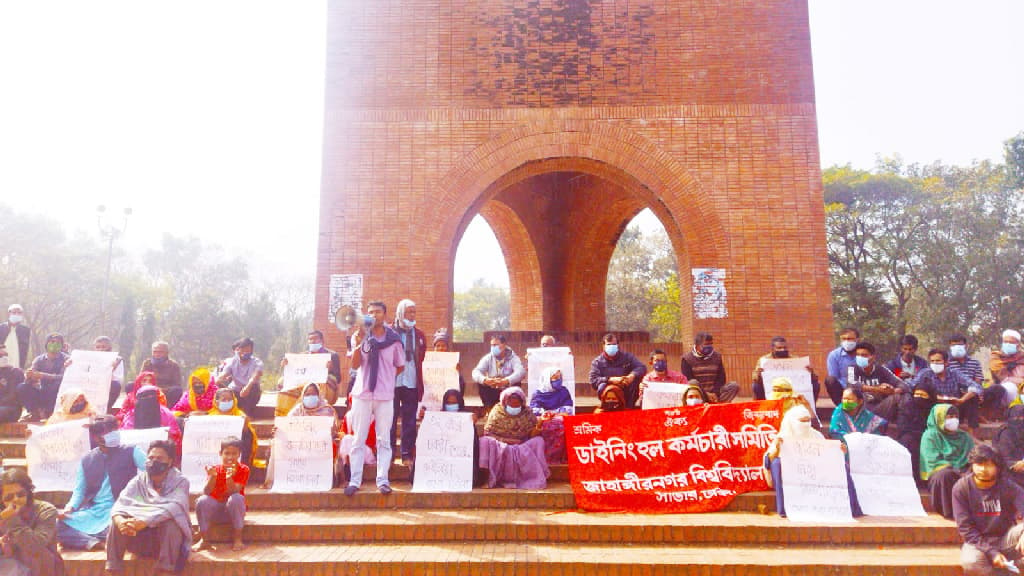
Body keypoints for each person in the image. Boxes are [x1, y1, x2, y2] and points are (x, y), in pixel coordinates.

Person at [57, 416, 145, 551]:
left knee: (124, 525)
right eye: (107, 432)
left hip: (122, 509)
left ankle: (92, 539)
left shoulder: (132, 451)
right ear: (96, 438)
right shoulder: (87, 460)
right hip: (95, 512)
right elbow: (79, 491)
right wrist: (69, 509)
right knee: (59, 525)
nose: (113, 434)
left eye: (114, 430)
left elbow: (152, 472)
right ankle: (93, 542)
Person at [346, 300, 405, 496]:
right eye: (370, 312)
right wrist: (360, 340)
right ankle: (355, 480)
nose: (373, 315)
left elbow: (400, 365)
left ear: (385, 315)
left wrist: (386, 379)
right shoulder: (360, 336)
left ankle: (382, 480)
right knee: (358, 438)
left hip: (385, 395)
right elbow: (354, 365)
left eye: (377, 312)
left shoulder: (395, 339)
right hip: (362, 394)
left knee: (384, 439)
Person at [106, 440, 191, 574]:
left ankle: (165, 570)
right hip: (138, 538)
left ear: (169, 462)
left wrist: (145, 521)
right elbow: (121, 503)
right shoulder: (138, 481)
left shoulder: (181, 482)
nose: (154, 461)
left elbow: (175, 506)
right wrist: (121, 522)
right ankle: (114, 568)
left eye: (159, 458)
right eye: (151, 458)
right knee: (115, 522)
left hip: (165, 544)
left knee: (172, 522)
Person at [953, 444, 1024, 576]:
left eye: (989, 465)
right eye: (979, 464)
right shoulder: (961, 488)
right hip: (977, 543)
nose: (983, 469)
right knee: (971, 563)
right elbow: (966, 529)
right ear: (972, 465)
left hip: (1005, 539)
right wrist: (992, 553)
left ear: (997, 467)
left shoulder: (1007, 486)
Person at [478, 386, 549, 489]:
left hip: (522, 445)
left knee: (539, 441)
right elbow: (488, 433)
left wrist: (539, 423)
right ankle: (487, 478)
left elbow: (531, 435)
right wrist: (506, 440)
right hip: (500, 445)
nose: (514, 408)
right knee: (484, 441)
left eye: (517, 406)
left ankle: (535, 476)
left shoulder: (527, 413)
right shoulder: (497, 412)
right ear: (505, 403)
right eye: (511, 405)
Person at [0, 468, 64, 576]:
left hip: (41, 568)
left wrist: (12, 519)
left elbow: (34, 547)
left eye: (21, 494)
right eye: (9, 497)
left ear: (28, 493)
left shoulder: (46, 510)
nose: (16, 500)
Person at [763, 405, 823, 518]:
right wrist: (777, 449)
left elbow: (827, 456)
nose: (806, 424)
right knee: (777, 463)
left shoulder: (816, 435)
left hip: (812, 473)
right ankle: (785, 508)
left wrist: (839, 451)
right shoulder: (783, 437)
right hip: (791, 473)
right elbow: (768, 461)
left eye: (808, 420)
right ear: (792, 421)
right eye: (802, 421)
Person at [193, 436, 249, 552]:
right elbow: (206, 491)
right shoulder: (215, 470)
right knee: (202, 500)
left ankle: (237, 539)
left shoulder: (244, 469)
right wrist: (213, 477)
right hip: (216, 511)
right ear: (220, 454)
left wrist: (229, 478)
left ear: (239, 455)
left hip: (234, 511)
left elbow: (235, 491)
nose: (230, 457)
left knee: (236, 498)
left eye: (234, 454)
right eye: (227, 453)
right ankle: (204, 540)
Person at [920, 404, 975, 519]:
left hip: (964, 469)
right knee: (945, 476)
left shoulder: (964, 436)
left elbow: (974, 457)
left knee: (976, 474)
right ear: (939, 418)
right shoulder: (930, 435)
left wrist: (968, 469)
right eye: (949, 416)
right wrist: (954, 469)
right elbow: (931, 460)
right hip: (941, 470)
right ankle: (950, 513)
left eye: (956, 416)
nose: (953, 419)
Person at [391, 299, 426, 467]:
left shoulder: (419, 335)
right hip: (391, 382)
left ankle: (406, 454)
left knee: (410, 420)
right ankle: (388, 455)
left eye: (414, 312)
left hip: (411, 381)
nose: (412, 315)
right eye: (408, 312)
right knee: (389, 419)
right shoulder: (389, 332)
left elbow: (421, 358)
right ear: (400, 313)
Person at [911, 349, 981, 432]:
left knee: (973, 397)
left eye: (938, 361)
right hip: (933, 408)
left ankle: (972, 432)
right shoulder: (925, 373)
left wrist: (962, 400)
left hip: (954, 407)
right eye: (932, 361)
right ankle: (925, 430)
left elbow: (976, 386)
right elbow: (911, 386)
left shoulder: (954, 373)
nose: (935, 364)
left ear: (946, 363)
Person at [848, 341, 907, 422]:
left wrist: (892, 391)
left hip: (878, 409)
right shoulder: (851, 368)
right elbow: (853, 384)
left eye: (864, 355)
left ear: (873, 357)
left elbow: (902, 384)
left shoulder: (881, 369)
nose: (860, 358)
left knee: (899, 396)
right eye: (858, 355)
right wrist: (878, 389)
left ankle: (904, 429)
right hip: (858, 408)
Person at [895, 376, 938, 484]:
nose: (919, 397)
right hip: (910, 437)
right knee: (909, 442)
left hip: (928, 437)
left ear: (930, 396)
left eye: (923, 395)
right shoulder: (907, 407)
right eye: (916, 394)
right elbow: (903, 427)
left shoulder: (934, 410)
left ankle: (926, 480)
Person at [18, 332, 69, 422]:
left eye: (58, 342)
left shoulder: (66, 359)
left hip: (57, 393)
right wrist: (30, 375)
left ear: (62, 345)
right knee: (22, 387)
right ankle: (34, 412)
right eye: (52, 342)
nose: (54, 344)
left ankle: (50, 413)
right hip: (42, 390)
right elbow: (32, 373)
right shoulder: (39, 359)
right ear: (46, 344)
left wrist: (43, 375)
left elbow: (65, 377)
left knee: (55, 386)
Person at [751, 336, 821, 401]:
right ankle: (762, 408)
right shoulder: (764, 360)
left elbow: (814, 378)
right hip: (773, 388)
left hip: (791, 388)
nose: (783, 350)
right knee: (756, 386)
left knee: (815, 385)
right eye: (779, 348)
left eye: (785, 347)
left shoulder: (795, 359)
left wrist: (810, 372)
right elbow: (754, 377)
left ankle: (811, 408)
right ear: (772, 349)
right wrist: (759, 374)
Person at [589, 333, 646, 409]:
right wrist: (610, 380)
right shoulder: (597, 362)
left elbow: (641, 367)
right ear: (603, 346)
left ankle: (629, 408)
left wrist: (632, 375)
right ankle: (607, 408)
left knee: (636, 381)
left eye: (614, 344)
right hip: (608, 389)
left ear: (618, 345)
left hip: (625, 387)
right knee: (601, 386)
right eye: (608, 345)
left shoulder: (627, 357)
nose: (611, 347)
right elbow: (593, 380)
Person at [680, 332, 738, 403]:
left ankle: (718, 404)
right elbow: (688, 379)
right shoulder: (686, 359)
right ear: (697, 345)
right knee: (692, 382)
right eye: (706, 344)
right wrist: (706, 394)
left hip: (715, 392)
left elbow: (721, 378)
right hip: (699, 393)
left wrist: (714, 393)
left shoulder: (717, 356)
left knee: (734, 386)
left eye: (711, 344)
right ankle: (706, 402)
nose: (709, 346)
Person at [529, 367, 572, 464]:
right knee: (545, 426)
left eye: (560, 377)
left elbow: (568, 408)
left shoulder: (563, 391)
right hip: (543, 418)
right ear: (547, 379)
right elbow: (534, 410)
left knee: (563, 425)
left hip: (559, 417)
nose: (559, 380)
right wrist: (546, 413)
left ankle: (561, 458)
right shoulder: (538, 393)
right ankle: (546, 458)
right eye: (555, 378)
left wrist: (554, 413)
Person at [207, 388, 258, 467]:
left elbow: (249, 438)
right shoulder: (210, 417)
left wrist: (245, 427)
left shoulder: (240, 415)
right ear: (216, 403)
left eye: (230, 399)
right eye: (224, 400)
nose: (227, 402)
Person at [121, 385, 183, 449]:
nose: (149, 399)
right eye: (145, 396)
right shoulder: (131, 415)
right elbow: (126, 435)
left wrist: (167, 435)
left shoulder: (166, 414)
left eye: (152, 396)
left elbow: (175, 436)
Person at [473, 335, 525, 410]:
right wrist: (485, 380)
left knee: (516, 383)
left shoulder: (513, 358)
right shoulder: (488, 358)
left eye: (495, 345)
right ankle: (489, 409)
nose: (493, 348)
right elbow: (476, 371)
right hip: (493, 387)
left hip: (507, 388)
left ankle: (511, 408)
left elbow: (521, 371)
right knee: (481, 383)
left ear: (504, 345)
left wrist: (507, 380)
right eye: (491, 345)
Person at [216, 337, 264, 419]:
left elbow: (255, 376)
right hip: (236, 390)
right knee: (221, 390)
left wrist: (247, 387)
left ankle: (247, 414)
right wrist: (219, 378)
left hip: (250, 390)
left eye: (248, 350)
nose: (245, 352)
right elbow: (225, 373)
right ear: (238, 350)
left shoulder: (257, 362)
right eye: (243, 350)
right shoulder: (232, 361)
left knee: (253, 388)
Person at [989, 329, 1024, 419]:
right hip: (1004, 390)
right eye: (1005, 342)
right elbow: (1001, 377)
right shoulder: (996, 357)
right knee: (1009, 386)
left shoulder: (1022, 357)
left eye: (1011, 342)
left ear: (1018, 345)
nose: (1008, 344)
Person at [137, 341, 184, 407]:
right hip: (149, 389)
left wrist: (162, 389)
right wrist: (153, 388)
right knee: (130, 386)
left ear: (167, 353)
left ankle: (169, 410)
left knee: (177, 390)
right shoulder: (147, 363)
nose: (157, 354)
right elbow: (141, 379)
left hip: (166, 392)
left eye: (160, 352)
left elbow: (177, 384)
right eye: (155, 352)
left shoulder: (173, 365)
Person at [825, 327, 860, 405]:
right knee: (830, 380)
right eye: (844, 339)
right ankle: (841, 407)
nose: (847, 341)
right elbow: (834, 378)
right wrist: (848, 390)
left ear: (857, 340)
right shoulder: (834, 355)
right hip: (843, 390)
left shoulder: (863, 354)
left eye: (850, 338)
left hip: (862, 388)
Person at [90, 336, 124, 412]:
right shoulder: (90, 359)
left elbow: (118, 380)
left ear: (110, 348)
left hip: (107, 387)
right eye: (98, 347)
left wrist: (111, 370)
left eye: (103, 347)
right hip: (92, 385)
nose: (101, 350)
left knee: (115, 385)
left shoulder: (117, 360)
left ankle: (105, 410)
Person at [994, 405, 1024, 489]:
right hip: (1008, 472)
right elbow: (1007, 460)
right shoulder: (1006, 434)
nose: (1020, 420)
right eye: (1016, 417)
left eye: (1022, 417)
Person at [430, 329, 465, 395]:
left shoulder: (453, 361)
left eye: (443, 346)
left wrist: (458, 373)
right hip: (433, 396)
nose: (440, 348)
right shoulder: (428, 362)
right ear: (434, 348)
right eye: (438, 346)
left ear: (447, 347)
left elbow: (460, 385)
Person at [0, 304, 30, 370]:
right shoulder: (1, 328)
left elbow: (25, 350)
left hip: (17, 365)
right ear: (9, 313)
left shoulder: (25, 330)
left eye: (19, 313)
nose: (16, 314)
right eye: (14, 312)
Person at [0, 345, 25, 423]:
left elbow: (13, 396)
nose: (4, 358)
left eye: (6, 355)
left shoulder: (16, 372)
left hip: (12, 409)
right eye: (1, 355)